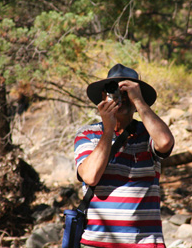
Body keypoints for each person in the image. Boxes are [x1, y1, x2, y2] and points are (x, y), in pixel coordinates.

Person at [74, 63, 175, 248]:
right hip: (97, 243)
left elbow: (165, 142)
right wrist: (108, 130)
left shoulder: (148, 133)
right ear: (104, 97)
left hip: (145, 242)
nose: (122, 99)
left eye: (127, 93)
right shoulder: (88, 134)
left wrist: (139, 101)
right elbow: (90, 176)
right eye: (115, 92)